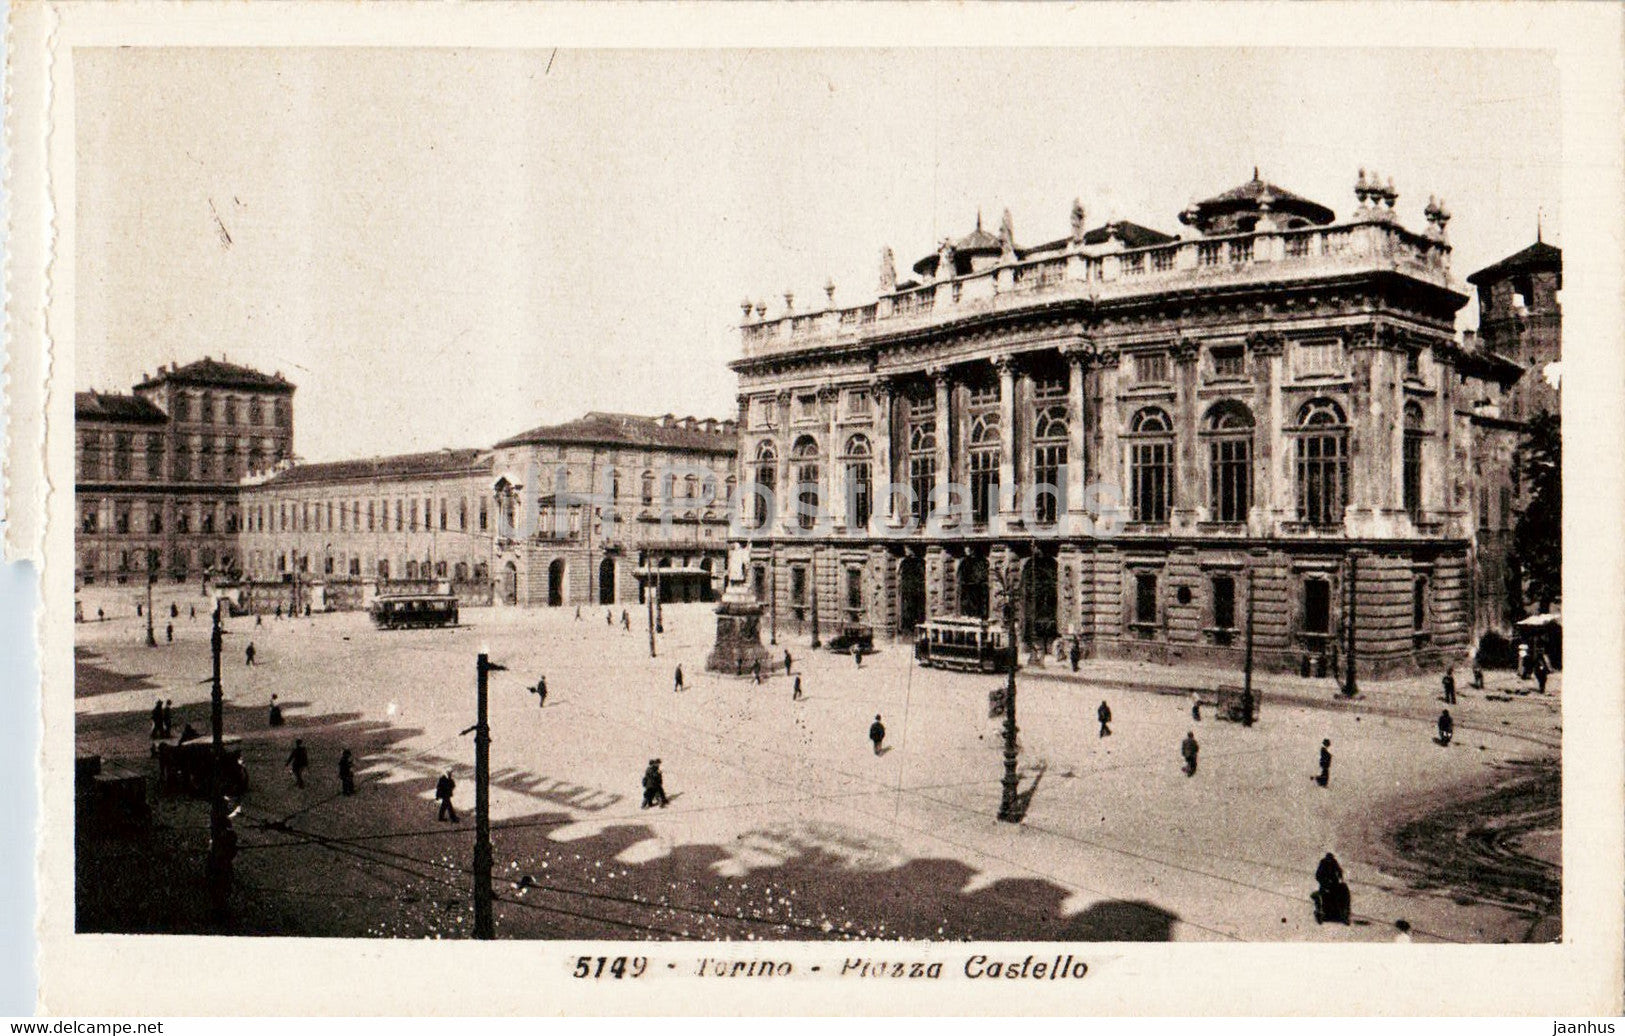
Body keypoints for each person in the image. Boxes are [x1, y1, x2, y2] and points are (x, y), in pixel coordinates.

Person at [1313, 852, 1350, 924]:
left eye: (1331, 859)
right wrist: (1323, 882)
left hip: (1334, 882)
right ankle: (1323, 911)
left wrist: (1340, 876)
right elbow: (1318, 875)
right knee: (1324, 896)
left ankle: (1340, 912)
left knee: (1339, 894)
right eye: (1329, 859)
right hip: (1325, 883)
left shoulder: (1334, 862)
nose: (1330, 860)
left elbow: (1339, 870)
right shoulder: (1323, 863)